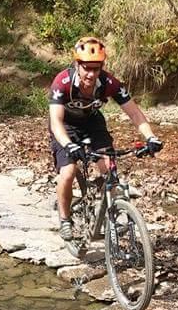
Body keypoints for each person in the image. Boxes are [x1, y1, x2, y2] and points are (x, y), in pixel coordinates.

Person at [49, 36, 163, 241]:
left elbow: (135, 114)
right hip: (66, 125)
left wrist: (151, 137)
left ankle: (109, 206)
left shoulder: (110, 83)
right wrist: (68, 144)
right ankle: (65, 219)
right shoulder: (62, 82)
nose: (91, 74)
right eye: (86, 68)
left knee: (109, 167)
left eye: (96, 68)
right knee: (68, 172)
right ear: (77, 65)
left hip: (93, 123)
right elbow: (56, 121)